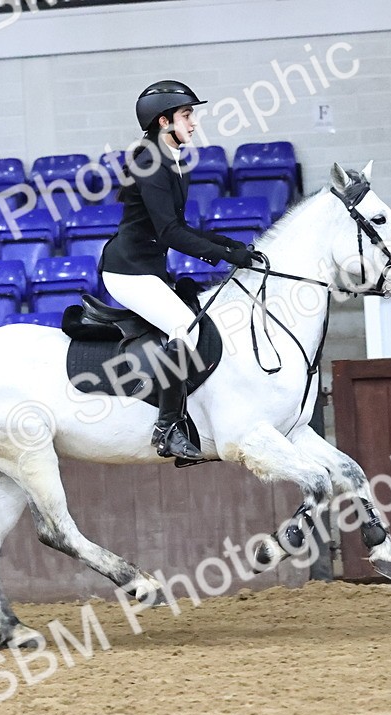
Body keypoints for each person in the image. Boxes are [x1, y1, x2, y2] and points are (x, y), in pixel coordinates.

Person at [99, 80, 254, 460]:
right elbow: (169, 232)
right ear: (164, 120)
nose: (194, 123)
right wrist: (222, 256)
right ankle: (167, 428)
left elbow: (177, 225)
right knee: (185, 327)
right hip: (127, 271)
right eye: (187, 115)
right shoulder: (151, 163)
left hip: (148, 269)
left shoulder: (169, 158)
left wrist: (228, 245)